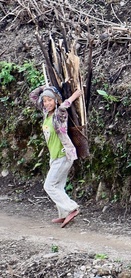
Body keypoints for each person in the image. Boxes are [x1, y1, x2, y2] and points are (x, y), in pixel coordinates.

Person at [30, 86, 83, 228]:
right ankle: (64, 214)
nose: (47, 103)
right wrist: (43, 88)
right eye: (45, 101)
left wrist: (75, 95)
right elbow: (33, 96)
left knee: (49, 186)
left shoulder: (59, 115)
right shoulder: (45, 114)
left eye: (50, 100)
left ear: (55, 101)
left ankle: (72, 208)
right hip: (55, 156)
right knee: (58, 186)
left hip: (64, 154)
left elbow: (65, 104)